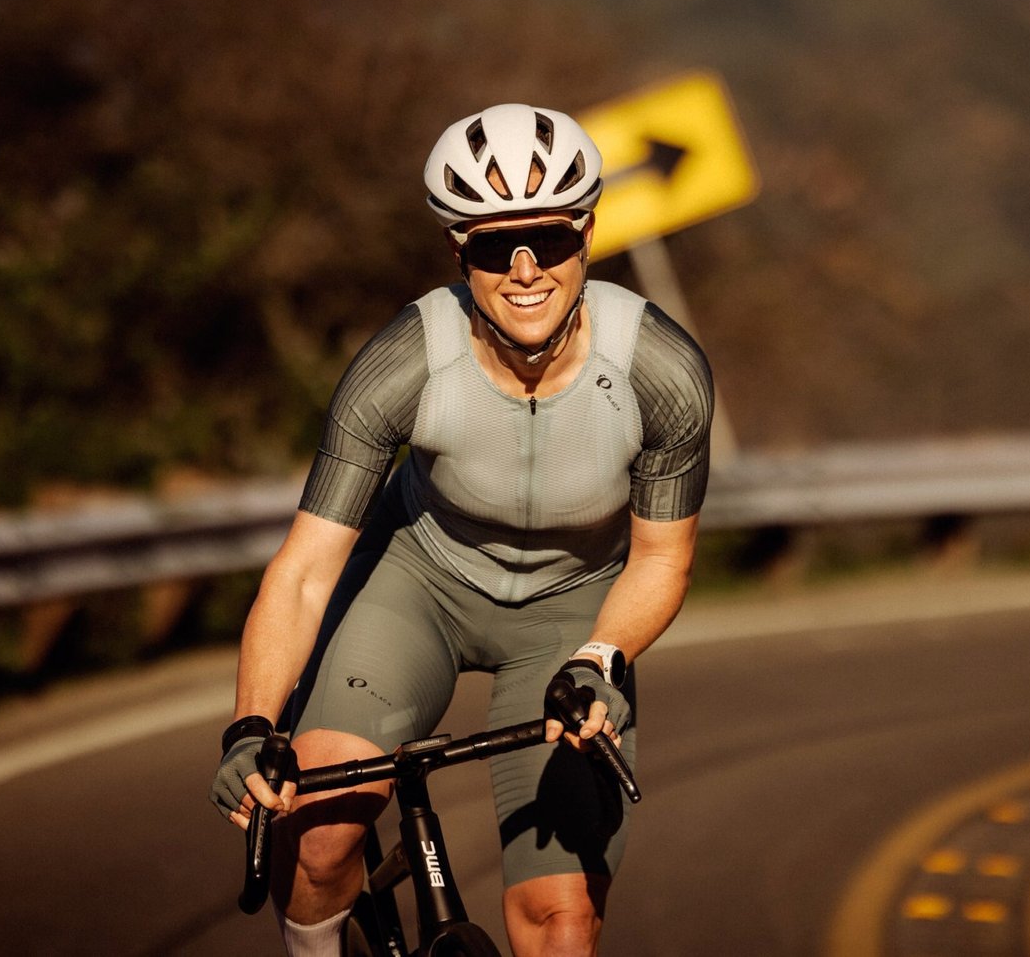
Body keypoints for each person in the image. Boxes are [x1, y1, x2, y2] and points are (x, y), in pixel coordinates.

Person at [210, 103, 713, 957]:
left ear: (587, 233)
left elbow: (663, 559)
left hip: (571, 614)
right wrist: (251, 727)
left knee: (561, 923)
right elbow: (302, 572)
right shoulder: (405, 361)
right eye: (492, 245)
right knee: (324, 840)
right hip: (419, 586)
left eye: (548, 241)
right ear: (458, 252)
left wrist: (602, 658)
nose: (524, 271)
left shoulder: (658, 370)